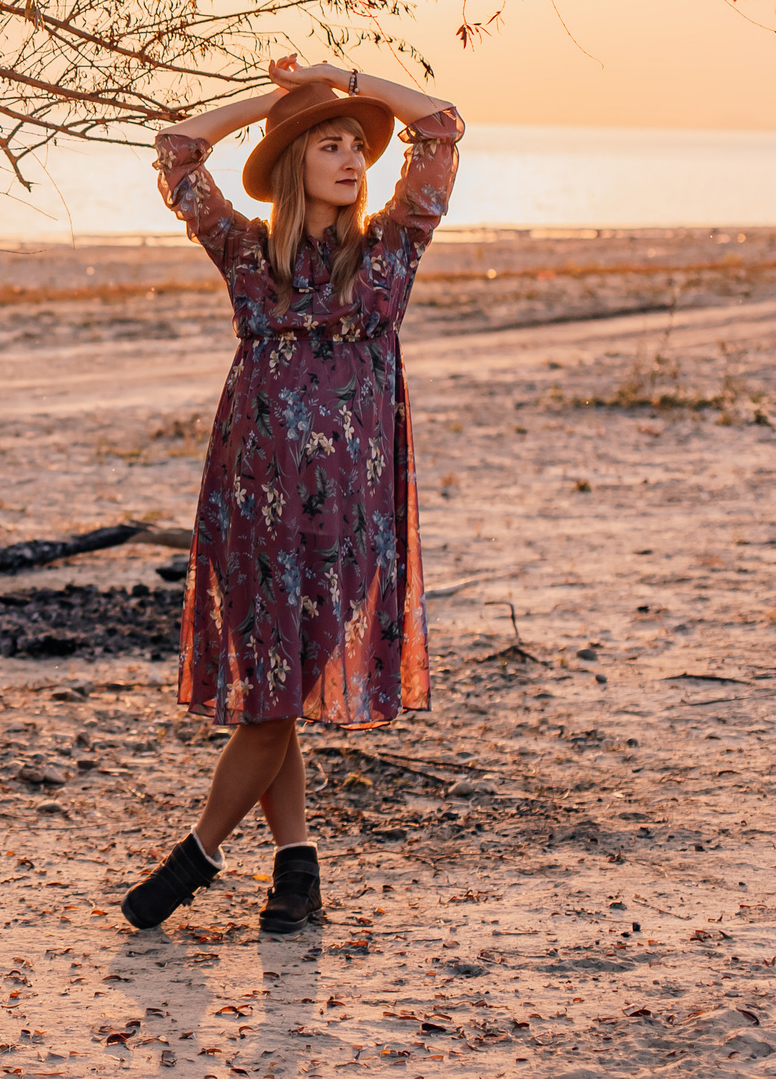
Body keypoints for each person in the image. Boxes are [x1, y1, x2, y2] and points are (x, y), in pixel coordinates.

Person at [121, 53, 462, 935]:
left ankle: (196, 855)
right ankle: (297, 872)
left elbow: (440, 128)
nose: (354, 161)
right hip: (250, 501)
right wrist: (270, 106)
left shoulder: (390, 249)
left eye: (358, 147)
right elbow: (178, 153)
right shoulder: (247, 254)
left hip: (349, 515)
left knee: (278, 693)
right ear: (293, 164)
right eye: (331, 146)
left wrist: (345, 76)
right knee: (273, 690)